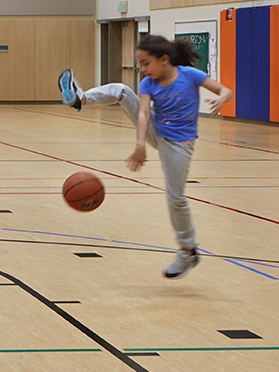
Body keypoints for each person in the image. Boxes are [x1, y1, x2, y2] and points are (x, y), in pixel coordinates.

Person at [58, 35, 233, 279]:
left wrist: (222, 98)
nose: (142, 69)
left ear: (164, 59)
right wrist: (140, 144)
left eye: (145, 63)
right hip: (156, 131)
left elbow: (225, 90)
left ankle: (188, 251)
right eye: (139, 64)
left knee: (175, 198)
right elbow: (142, 114)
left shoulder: (189, 75)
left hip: (179, 144)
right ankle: (80, 98)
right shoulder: (148, 84)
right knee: (121, 90)